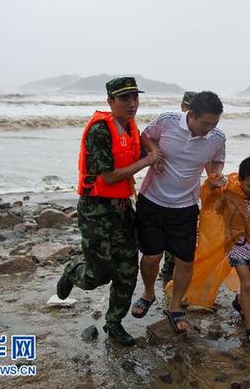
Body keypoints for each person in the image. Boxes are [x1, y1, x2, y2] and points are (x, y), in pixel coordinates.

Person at [56, 77, 162, 346]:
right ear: (110, 102)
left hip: (123, 210)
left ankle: (113, 324)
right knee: (97, 275)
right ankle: (72, 271)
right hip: (96, 211)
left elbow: (142, 140)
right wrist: (148, 161)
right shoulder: (100, 130)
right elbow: (111, 176)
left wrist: (153, 150)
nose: (132, 103)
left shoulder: (128, 126)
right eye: (125, 99)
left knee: (127, 272)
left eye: (135, 98)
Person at [131, 91, 226, 334]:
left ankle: (175, 307)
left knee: (185, 260)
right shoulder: (167, 121)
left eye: (214, 123)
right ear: (190, 115)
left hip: (185, 206)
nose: (210, 128)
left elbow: (216, 160)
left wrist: (215, 176)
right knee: (152, 256)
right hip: (152, 199)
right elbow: (145, 136)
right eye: (206, 123)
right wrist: (155, 154)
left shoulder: (216, 137)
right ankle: (148, 292)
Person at [169, 157, 250, 347]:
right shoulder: (228, 193)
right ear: (240, 180)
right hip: (236, 244)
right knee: (247, 283)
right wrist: (212, 186)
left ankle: (240, 304)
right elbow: (208, 202)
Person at [159, 90, 198, 287]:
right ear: (182, 107)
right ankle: (167, 275)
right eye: (187, 108)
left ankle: (173, 278)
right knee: (165, 240)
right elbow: (150, 144)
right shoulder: (168, 126)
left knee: (181, 242)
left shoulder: (202, 131)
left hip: (186, 197)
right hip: (162, 194)